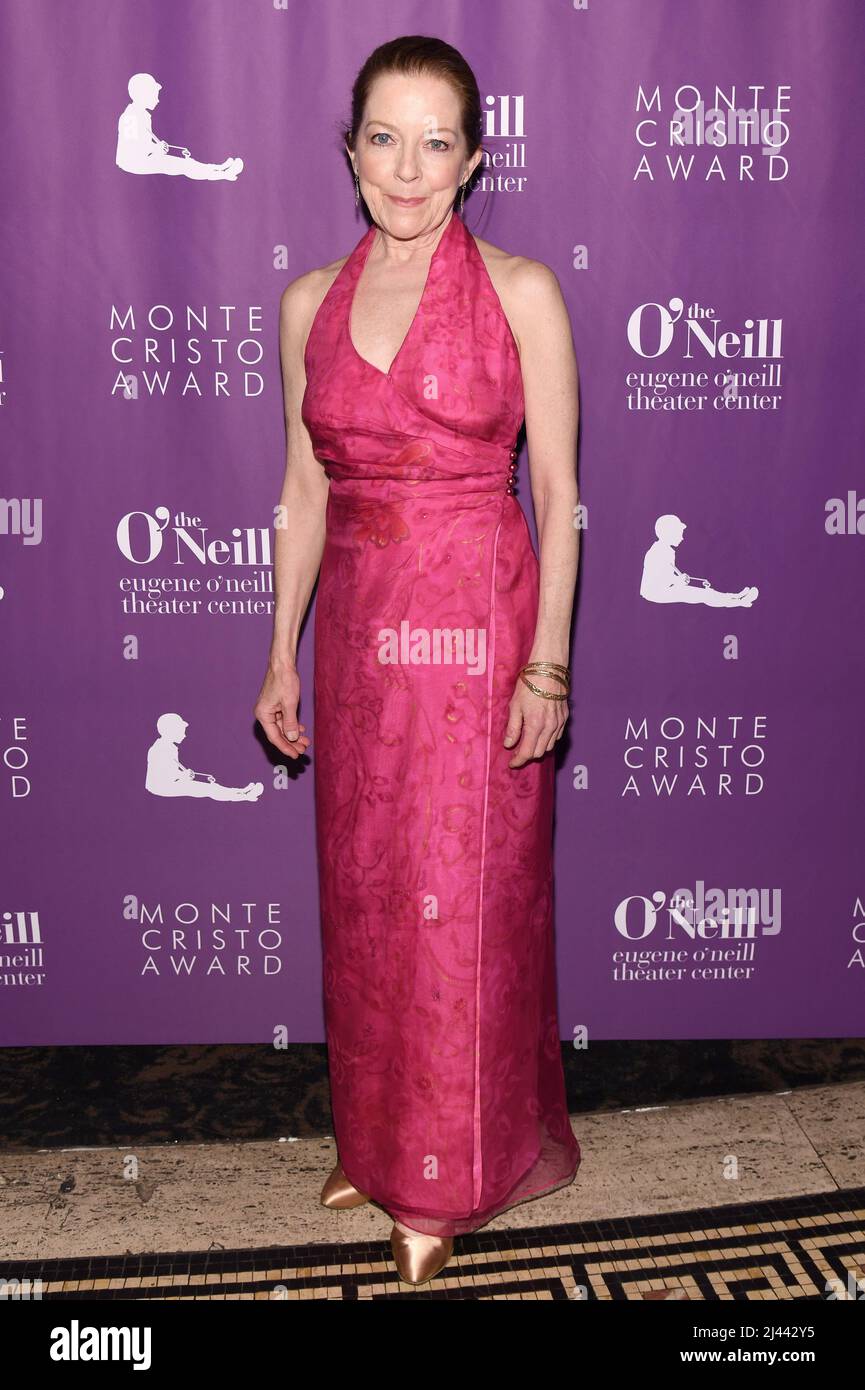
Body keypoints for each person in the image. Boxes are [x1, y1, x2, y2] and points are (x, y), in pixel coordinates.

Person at [254, 34, 581, 1286]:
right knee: (372, 896)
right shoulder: (304, 305)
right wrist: (277, 653)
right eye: (383, 138)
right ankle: (378, 1140)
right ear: (349, 152)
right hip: (359, 644)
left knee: (466, 901)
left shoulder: (522, 291)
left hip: (478, 627)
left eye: (435, 141)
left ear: (473, 157)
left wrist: (545, 666)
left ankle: (443, 1175)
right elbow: (300, 493)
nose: (407, 167)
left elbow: (556, 494)